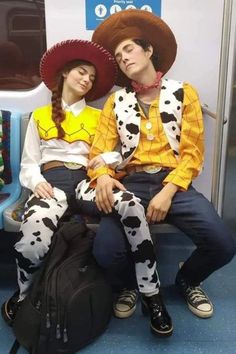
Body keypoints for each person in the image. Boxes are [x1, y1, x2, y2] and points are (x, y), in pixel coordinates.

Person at [1, 38, 173, 337]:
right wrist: (37, 183)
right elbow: (29, 163)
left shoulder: (99, 115)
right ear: (65, 73)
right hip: (51, 185)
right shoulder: (40, 116)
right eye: (81, 72)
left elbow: (118, 153)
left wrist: (103, 161)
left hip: (86, 182)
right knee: (32, 240)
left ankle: (151, 293)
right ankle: (24, 294)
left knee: (130, 203)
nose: (86, 79)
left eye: (91, 77)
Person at [77, 9, 236, 322]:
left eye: (129, 49)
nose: (123, 58)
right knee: (106, 251)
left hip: (173, 183)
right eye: (118, 55)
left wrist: (168, 191)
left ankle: (187, 279)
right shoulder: (116, 101)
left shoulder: (184, 92)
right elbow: (99, 151)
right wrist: (104, 177)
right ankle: (129, 286)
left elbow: (192, 153)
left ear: (148, 51)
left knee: (223, 244)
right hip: (131, 185)